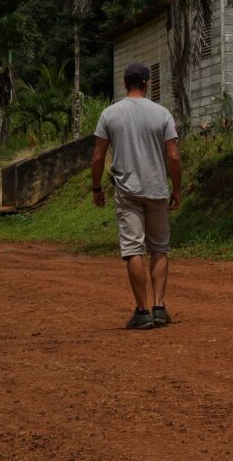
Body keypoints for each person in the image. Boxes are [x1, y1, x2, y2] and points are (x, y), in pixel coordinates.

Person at [91, 62, 182, 329]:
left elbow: (97, 156)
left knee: (133, 248)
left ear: (124, 84)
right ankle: (159, 307)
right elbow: (173, 156)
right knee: (159, 247)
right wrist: (176, 188)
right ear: (147, 83)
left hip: (127, 191)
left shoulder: (109, 114)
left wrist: (96, 187)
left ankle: (141, 312)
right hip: (156, 190)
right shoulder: (162, 114)